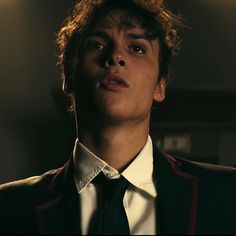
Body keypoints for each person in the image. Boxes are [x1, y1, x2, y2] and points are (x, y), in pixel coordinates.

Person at [0, 0, 236, 234]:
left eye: (137, 48)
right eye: (98, 45)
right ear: (68, 77)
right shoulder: (8, 207)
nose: (116, 57)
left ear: (160, 86)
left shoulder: (227, 194)